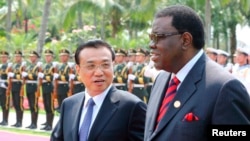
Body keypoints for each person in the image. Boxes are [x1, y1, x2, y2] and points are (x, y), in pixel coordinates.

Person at [144, 5, 250, 141]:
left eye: (158, 37)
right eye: (151, 37)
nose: (151, 44)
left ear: (185, 40)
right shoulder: (161, 80)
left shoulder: (224, 88)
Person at [51, 39, 147, 141]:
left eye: (105, 65)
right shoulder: (69, 104)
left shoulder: (131, 106)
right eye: (91, 66)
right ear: (78, 70)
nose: (98, 73)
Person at [38, 49, 56, 131]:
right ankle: (47, 123)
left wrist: (44, 77)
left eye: (49, 56)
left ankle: (50, 124)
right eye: (46, 56)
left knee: (50, 106)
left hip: (50, 87)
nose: (47, 58)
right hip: (44, 87)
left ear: (52, 57)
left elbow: (54, 77)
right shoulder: (44, 66)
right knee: (46, 105)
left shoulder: (54, 66)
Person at [7, 50, 26, 128]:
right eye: (16, 56)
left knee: (19, 104)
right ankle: (17, 121)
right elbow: (10, 77)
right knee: (15, 104)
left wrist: (22, 87)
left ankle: (20, 122)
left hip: (19, 85)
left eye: (18, 56)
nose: (17, 58)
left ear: (21, 57)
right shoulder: (14, 66)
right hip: (14, 85)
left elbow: (24, 77)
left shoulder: (23, 65)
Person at [0, 51, 10, 126]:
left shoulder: (9, 66)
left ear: (7, 58)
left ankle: (5, 120)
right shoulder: (1, 66)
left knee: (5, 104)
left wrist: (6, 84)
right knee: (1, 104)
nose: (3, 58)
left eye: (4, 57)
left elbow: (9, 77)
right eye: (2, 57)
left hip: (5, 86)